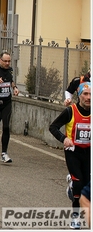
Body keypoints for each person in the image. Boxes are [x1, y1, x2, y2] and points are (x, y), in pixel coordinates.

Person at [49, 82, 91, 229]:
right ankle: (75, 217)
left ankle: (72, 184)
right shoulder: (70, 111)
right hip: (73, 151)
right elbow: (53, 127)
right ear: (79, 96)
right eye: (85, 94)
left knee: (87, 186)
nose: (88, 97)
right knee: (79, 184)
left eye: (91, 94)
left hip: (89, 153)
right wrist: (64, 139)